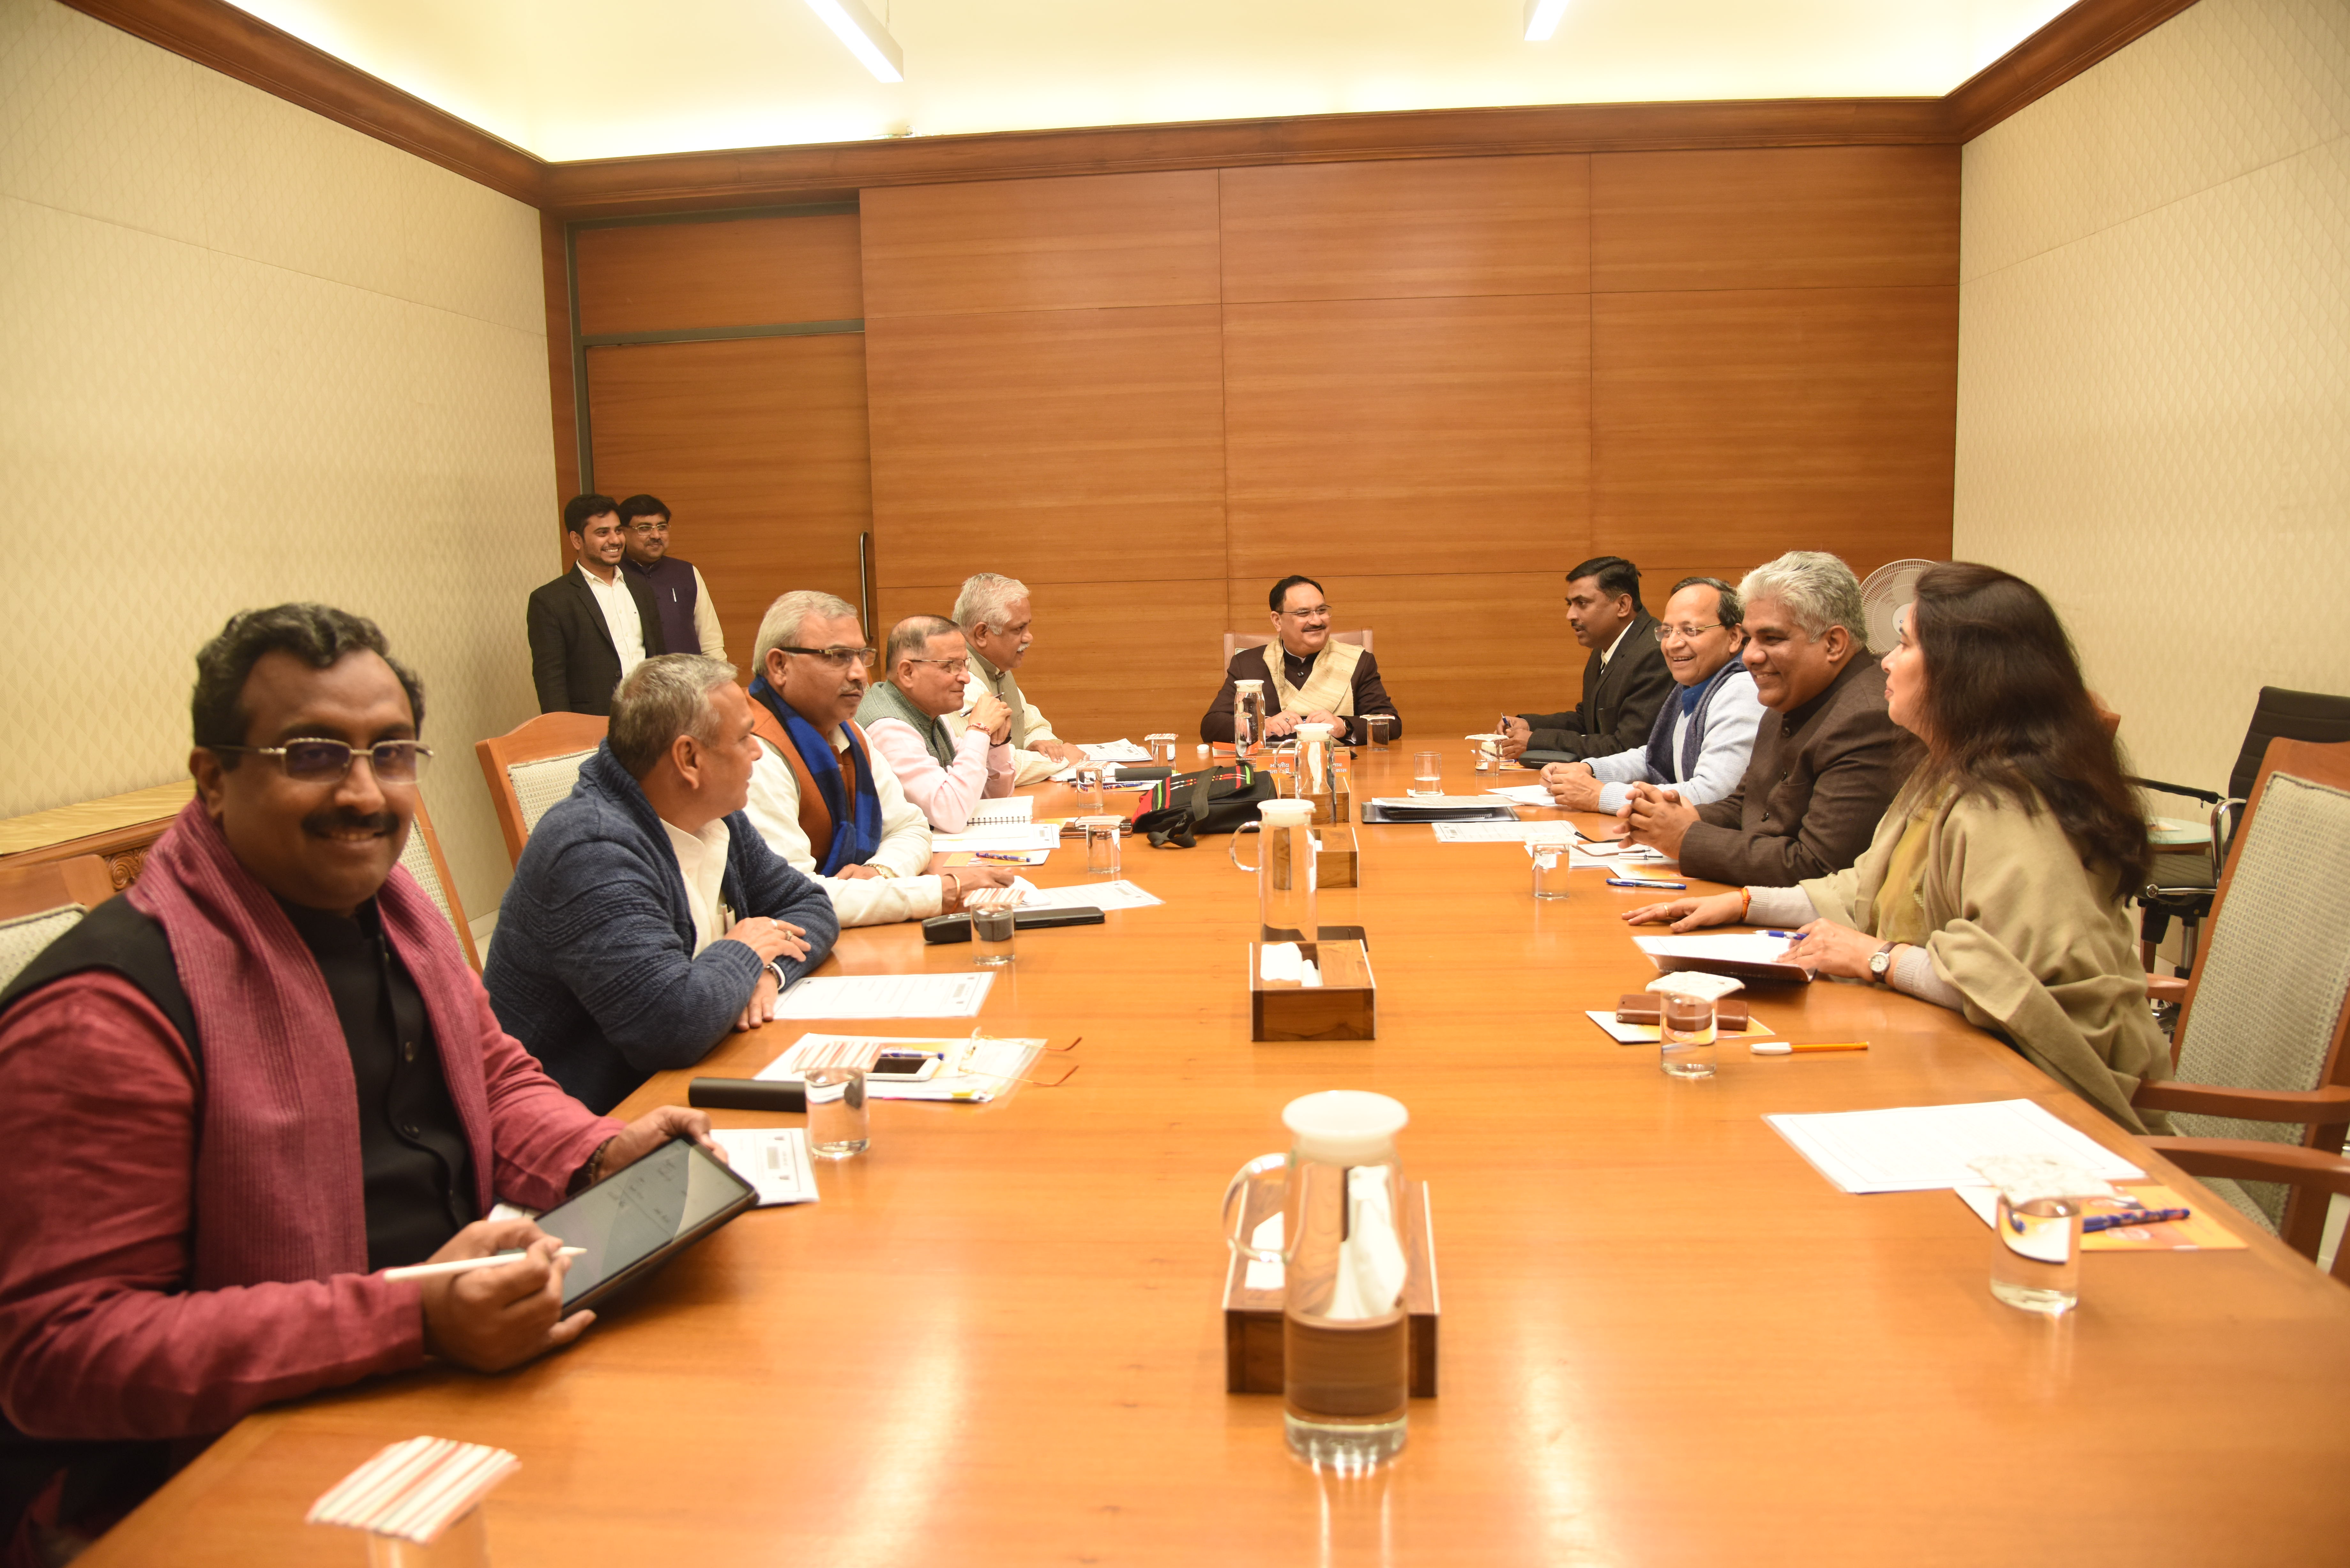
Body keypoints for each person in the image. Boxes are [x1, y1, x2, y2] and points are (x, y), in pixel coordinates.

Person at [0, 606, 722, 1556]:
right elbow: (62, 1351)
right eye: (310, 752)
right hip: (211, 1480)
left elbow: (493, 1076)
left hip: (441, 1383)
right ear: (213, 777)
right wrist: (412, 1313)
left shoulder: (391, 908)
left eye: (389, 752)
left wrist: (598, 1149)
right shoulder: (107, 1008)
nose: (363, 791)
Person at [1623, 564, 2174, 1131]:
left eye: (1906, 645)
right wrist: (1745, 904)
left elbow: (2015, 986)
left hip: (2054, 1104)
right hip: (1963, 1058)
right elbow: (1864, 887)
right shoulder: (1949, 771)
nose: (1885, 660)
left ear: (1968, 673)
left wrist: (1880, 959)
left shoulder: (2009, 805)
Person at [485, 654, 838, 1114]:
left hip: (693, 1074)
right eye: (744, 737)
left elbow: (810, 904)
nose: (758, 752)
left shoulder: (715, 813)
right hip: (592, 1121)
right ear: (689, 758)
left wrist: (766, 973)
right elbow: (670, 1026)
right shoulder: (590, 850)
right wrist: (747, 952)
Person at [1620, 551, 1906, 886]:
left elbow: (1819, 866)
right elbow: (1747, 805)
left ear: (1833, 643)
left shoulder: (1868, 717)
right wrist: (1671, 817)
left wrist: (1685, 838)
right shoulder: (1789, 693)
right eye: (1751, 637)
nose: (1751, 655)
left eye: (1772, 639)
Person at [743, 592, 1017, 926]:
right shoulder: (752, 752)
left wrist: (880, 871)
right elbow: (795, 896)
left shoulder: (848, 732)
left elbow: (911, 828)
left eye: (861, 656)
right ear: (779, 666)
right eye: (838, 657)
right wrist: (940, 892)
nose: (860, 673)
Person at [1539, 576, 1763, 813]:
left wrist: (1600, 796)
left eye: (1690, 630)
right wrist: (1589, 770)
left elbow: (1713, 796)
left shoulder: (1742, 689)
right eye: (1667, 631)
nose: (1672, 644)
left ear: (1734, 637)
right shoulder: (1696, 685)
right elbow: (1654, 755)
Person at [1500, 556, 1673, 764]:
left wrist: (1537, 741)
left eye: (1582, 603)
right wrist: (1528, 724)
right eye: (1570, 604)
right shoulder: (1606, 647)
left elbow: (1627, 748)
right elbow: (1588, 722)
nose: (1570, 615)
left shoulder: (1655, 653)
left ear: (1623, 605)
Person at [857, 614, 1016, 833]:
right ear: (908, 673)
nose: (966, 678)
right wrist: (979, 730)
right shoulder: (889, 728)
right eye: (951, 666)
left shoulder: (928, 712)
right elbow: (950, 814)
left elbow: (992, 799)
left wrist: (996, 744)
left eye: (964, 664)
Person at [1199, 575, 1402, 745]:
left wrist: (1344, 726)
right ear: (1277, 621)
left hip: (1339, 771)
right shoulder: (1248, 664)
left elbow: (1391, 724)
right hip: (1268, 770)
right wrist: (1261, 726)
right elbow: (1212, 727)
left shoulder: (1358, 662)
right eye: (1303, 613)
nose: (1316, 621)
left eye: (1322, 611)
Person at [526, 493, 666, 716]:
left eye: (618, 530)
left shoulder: (641, 589)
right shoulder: (551, 600)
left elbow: (659, 658)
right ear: (577, 540)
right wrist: (564, 736)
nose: (615, 540)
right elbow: (550, 680)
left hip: (649, 719)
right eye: (603, 533)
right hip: (591, 725)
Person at [955, 572, 1085, 785]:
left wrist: (1041, 743)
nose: (1029, 637)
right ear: (981, 634)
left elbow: (1034, 726)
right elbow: (990, 767)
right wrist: (1061, 759)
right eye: (1018, 629)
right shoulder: (961, 679)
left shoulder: (997, 669)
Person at [617, 493, 726, 662]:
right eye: (645, 528)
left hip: (689, 681)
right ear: (623, 532)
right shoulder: (613, 577)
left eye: (662, 527)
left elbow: (710, 640)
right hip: (637, 684)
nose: (656, 536)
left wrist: (721, 682)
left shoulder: (687, 573)